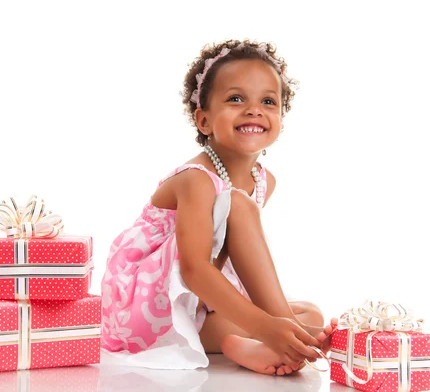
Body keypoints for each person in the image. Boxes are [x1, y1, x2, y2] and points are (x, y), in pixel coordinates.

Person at [101, 39, 336, 375]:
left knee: (311, 314)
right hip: (148, 304)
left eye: (268, 101)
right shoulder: (195, 179)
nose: (254, 109)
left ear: (281, 120)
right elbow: (194, 269)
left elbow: (239, 259)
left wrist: (268, 324)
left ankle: (250, 345)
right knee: (239, 210)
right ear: (204, 120)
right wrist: (268, 324)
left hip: (197, 304)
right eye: (235, 98)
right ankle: (280, 339)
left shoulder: (264, 181)